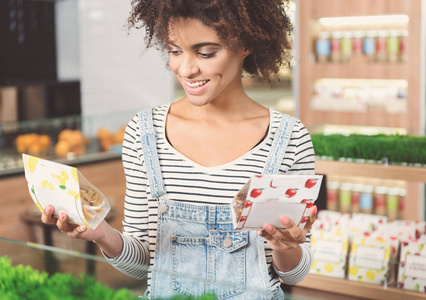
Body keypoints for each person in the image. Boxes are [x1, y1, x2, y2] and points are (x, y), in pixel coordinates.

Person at [41, 1, 317, 299]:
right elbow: (143, 263)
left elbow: (294, 273)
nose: (186, 69)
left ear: (246, 44)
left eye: (206, 52)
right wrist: (103, 236)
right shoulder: (144, 133)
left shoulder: (289, 138)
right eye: (174, 51)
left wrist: (287, 247)